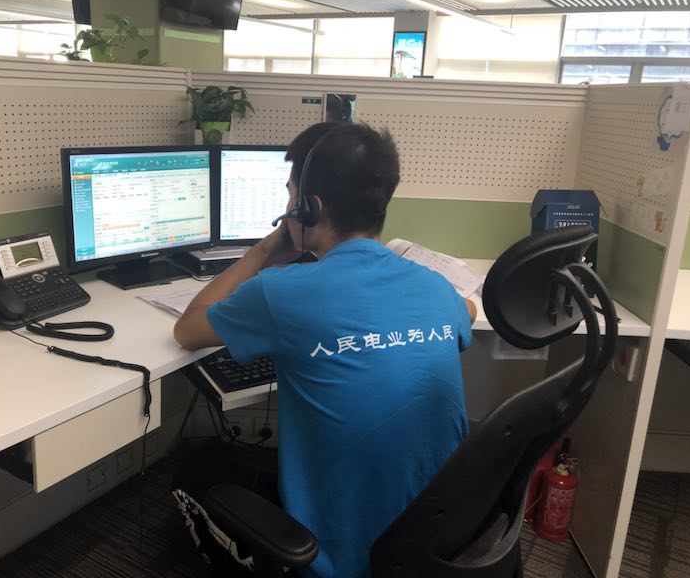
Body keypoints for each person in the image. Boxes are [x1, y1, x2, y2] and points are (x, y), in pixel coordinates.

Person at [174, 122, 477, 578]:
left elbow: (188, 328)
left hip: (337, 560)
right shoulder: (435, 289)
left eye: (290, 194)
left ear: (309, 208)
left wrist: (264, 250)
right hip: (436, 544)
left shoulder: (282, 292)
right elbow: (467, 312)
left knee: (193, 470)